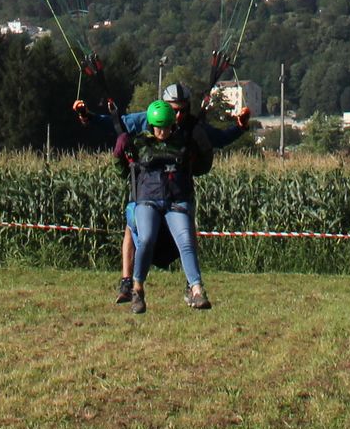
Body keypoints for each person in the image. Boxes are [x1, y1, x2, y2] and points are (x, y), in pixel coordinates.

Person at [76, 79, 252, 307]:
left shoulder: (191, 126)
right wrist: (88, 116)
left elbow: (218, 139)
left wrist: (240, 127)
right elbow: (117, 123)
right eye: (174, 110)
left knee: (187, 232)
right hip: (144, 188)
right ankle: (128, 282)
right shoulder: (147, 119)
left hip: (177, 189)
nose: (177, 117)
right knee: (134, 227)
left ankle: (193, 286)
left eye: (182, 111)